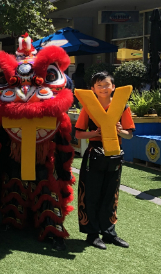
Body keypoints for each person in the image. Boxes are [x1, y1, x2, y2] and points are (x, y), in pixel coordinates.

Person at [75, 71, 133, 250]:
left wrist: (118, 131)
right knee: (90, 194)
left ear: (113, 87)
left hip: (114, 155)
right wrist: (94, 133)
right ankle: (92, 234)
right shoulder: (88, 107)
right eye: (99, 86)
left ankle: (109, 232)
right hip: (94, 155)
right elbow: (78, 133)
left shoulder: (122, 107)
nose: (103, 88)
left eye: (106, 85)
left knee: (111, 195)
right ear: (92, 89)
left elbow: (129, 135)